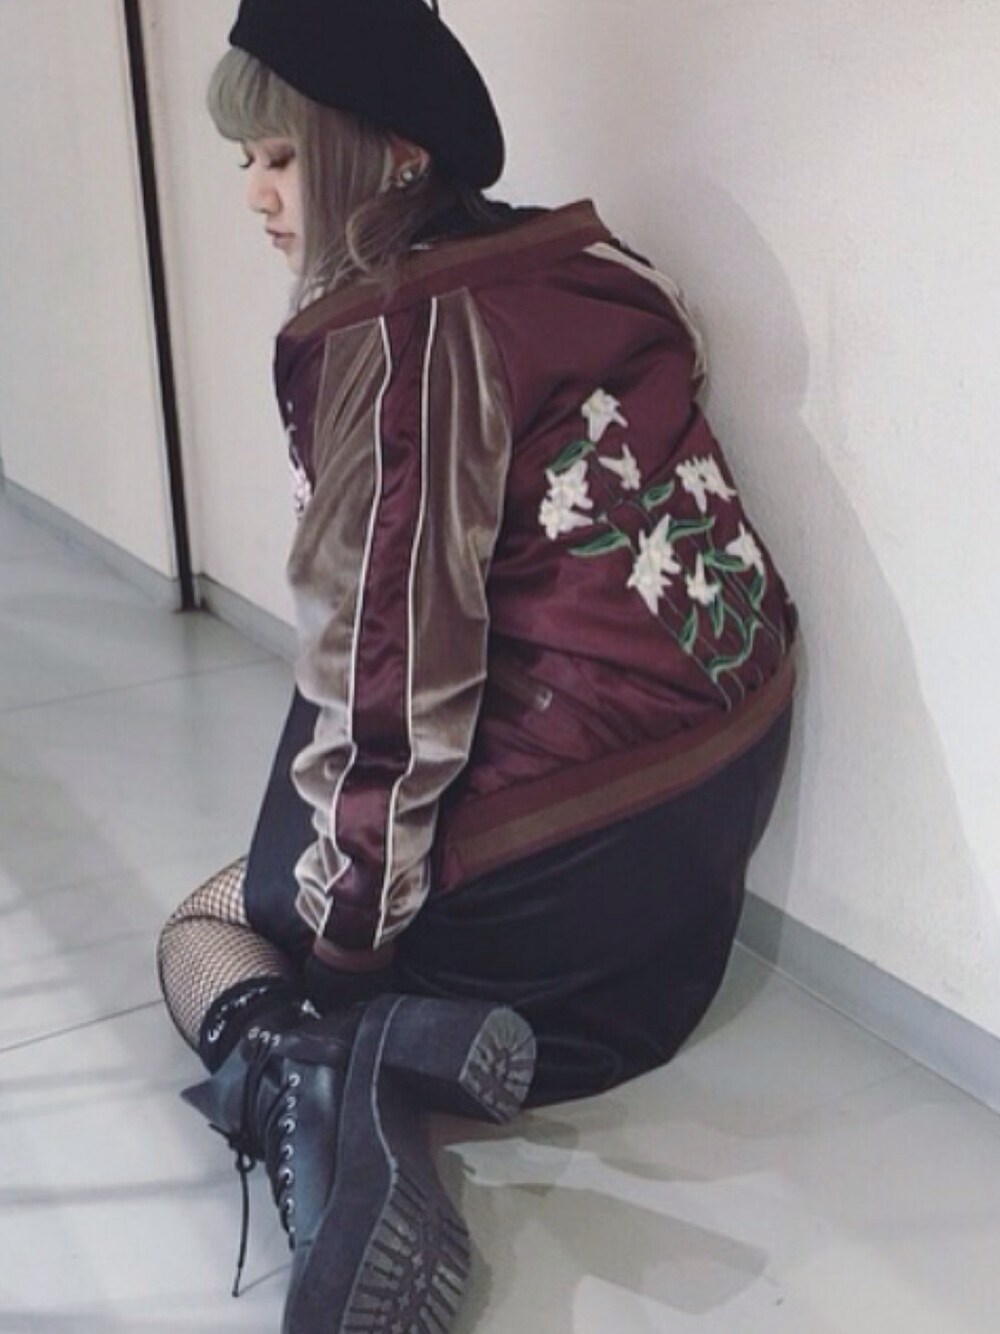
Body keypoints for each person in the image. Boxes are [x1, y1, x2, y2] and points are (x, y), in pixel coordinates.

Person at [157, 1, 799, 1331]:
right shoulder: (585, 259)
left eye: (281, 156)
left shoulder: (392, 337)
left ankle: (319, 1086)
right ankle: (384, 1054)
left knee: (203, 927)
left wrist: (339, 954)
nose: (256, 196)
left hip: (568, 877)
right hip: (705, 832)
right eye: (245, 162)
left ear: (390, 151)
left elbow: (387, 696)